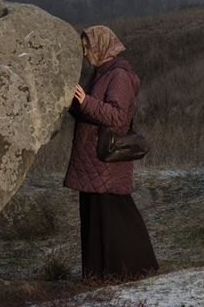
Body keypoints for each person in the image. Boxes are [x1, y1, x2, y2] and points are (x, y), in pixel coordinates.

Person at [64, 25, 158, 282]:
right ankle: (99, 274)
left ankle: (134, 268)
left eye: (88, 47)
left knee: (114, 213)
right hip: (93, 158)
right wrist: (74, 103)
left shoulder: (119, 76)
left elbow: (117, 117)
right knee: (95, 215)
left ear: (102, 46)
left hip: (106, 158)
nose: (85, 53)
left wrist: (85, 101)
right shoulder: (100, 74)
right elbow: (91, 112)